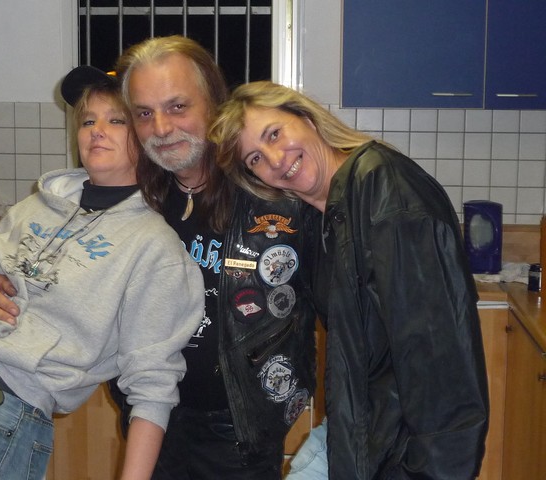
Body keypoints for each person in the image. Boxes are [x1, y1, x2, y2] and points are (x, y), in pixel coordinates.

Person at [0, 36, 318, 480]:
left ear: (213, 102)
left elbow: (345, 312)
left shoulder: (273, 194)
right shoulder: (135, 194)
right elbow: (50, 263)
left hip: (243, 430)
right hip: (149, 416)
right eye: (144, 113)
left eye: (177, 106)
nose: (162, 128)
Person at [0, 66, 204, 480]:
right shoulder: (32, 207)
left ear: (146, 137)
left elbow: (153, 386)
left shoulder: (155, 248)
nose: (97, 131)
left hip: (1, 414)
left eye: (116, 120)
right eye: (88, 121)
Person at [209, 81, 490, 479]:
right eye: (255, 158)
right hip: (361, 431)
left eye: (274, 134)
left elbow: (439, 361)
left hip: (405, 449)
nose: (275, 159)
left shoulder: (383, 188)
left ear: (306, 119)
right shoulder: (325, 214)